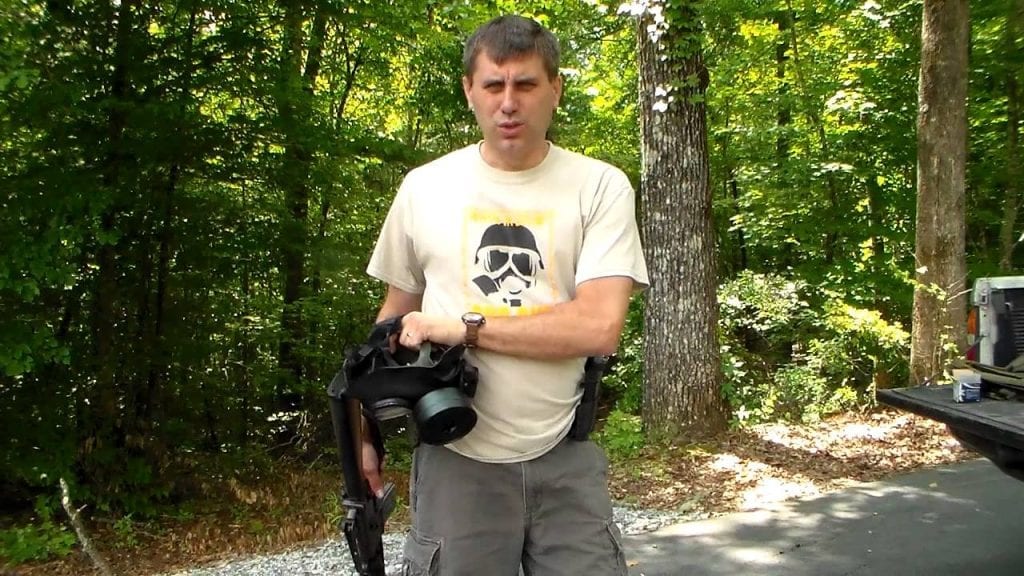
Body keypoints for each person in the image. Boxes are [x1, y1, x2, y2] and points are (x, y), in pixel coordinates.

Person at [362, 14, 649, 576]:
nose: (508, 103)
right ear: (470, 90)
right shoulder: (425, 188)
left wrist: (460, 328)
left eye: (526, 84)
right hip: (455, 459)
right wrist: (364, 437)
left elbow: (599, 327)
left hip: (564, 455)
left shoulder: (599, 185)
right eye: (493, 85)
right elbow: (391, 322)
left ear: (555, 89)